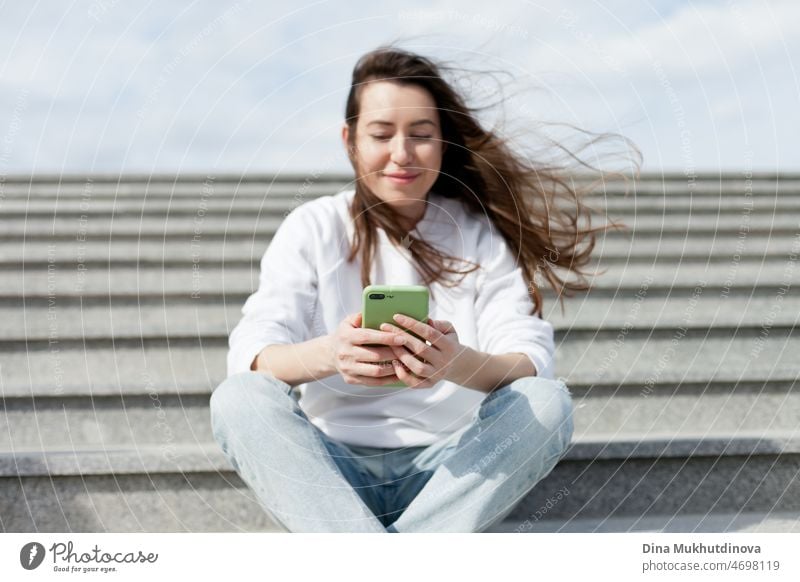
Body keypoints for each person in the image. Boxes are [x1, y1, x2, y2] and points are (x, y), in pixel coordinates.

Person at [210, 45, 639, 532]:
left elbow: (528, 359)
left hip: (452, 473)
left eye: (421, 135)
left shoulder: (478, 234)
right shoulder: (313, 226)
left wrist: (454, 363)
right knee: (239, 398)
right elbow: (254, 353)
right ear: (350, 140)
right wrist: (332, 354)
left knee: (547, 403)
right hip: (332, 477)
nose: (401, 154)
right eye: (380, 134)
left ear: (442, 143)